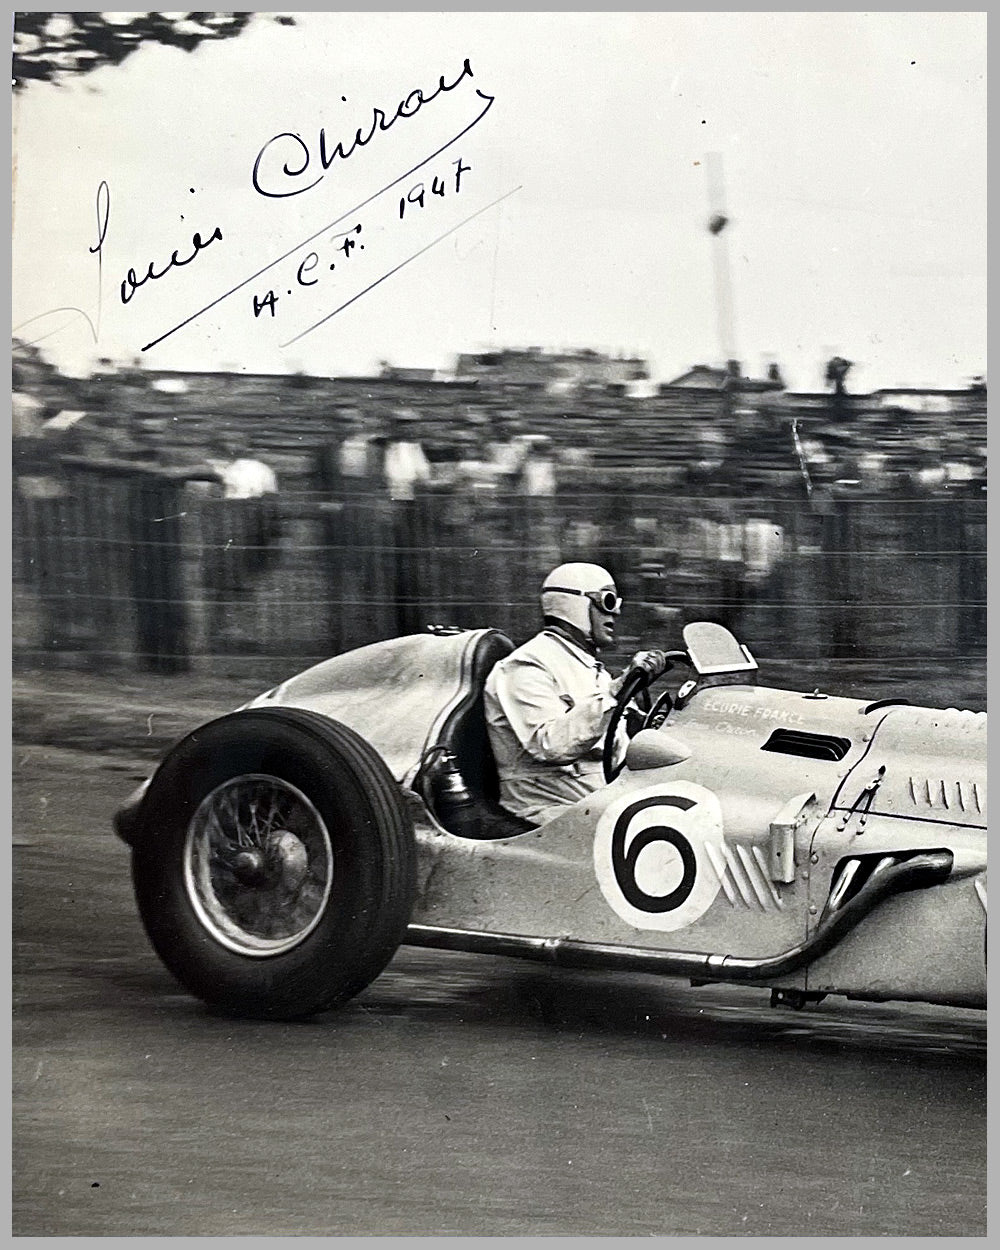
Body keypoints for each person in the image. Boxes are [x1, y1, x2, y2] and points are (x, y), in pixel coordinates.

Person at [484, 562, 669, 827]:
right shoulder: (525, 666)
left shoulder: (590, 668)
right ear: (574, 604)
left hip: (595, 801)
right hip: (546, 812)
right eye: (606, 600)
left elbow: (620, 744)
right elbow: (550, 745)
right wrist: (617, 690)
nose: (615, 612)